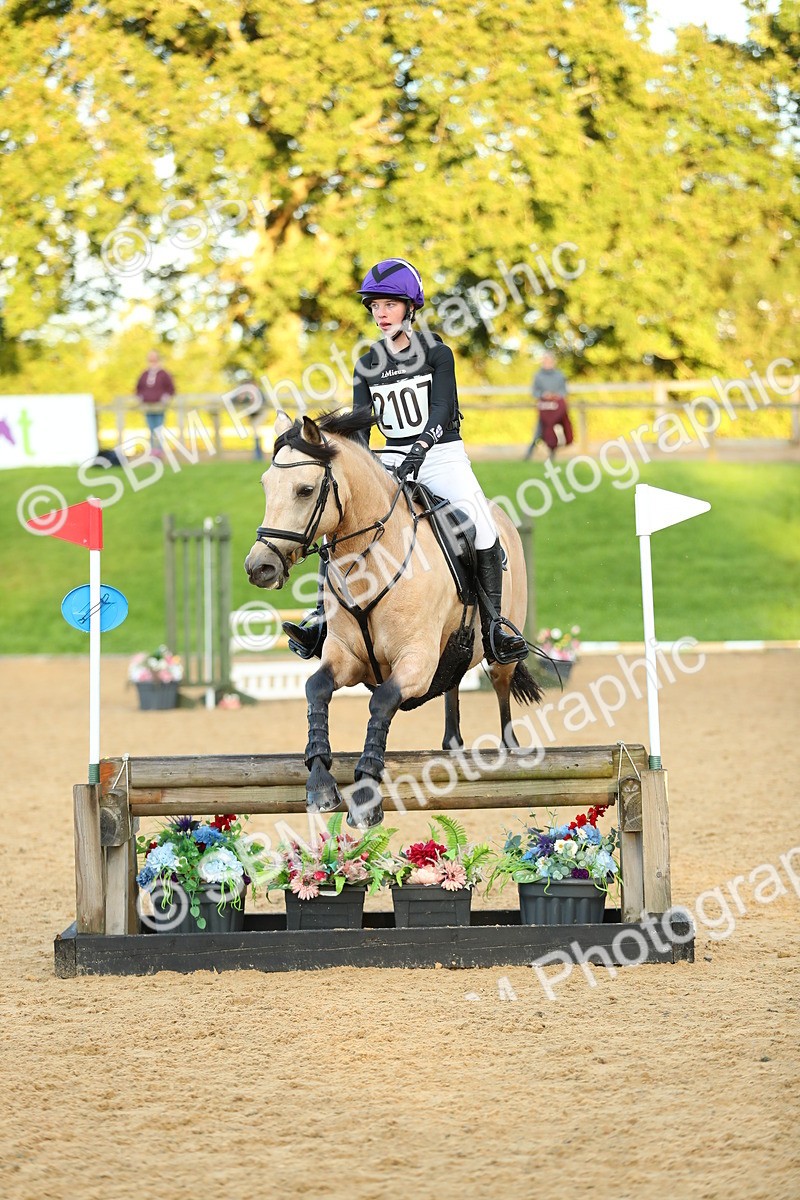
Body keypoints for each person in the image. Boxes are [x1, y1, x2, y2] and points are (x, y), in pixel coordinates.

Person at [283, 257, 529, 665]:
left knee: (482, 527)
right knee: (338, 524)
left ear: (410, 307)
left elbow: (443, 409)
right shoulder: (367, 364)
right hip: (391, 457)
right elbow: (362, 428)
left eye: (389, 305)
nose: (381, 314)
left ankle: (495, 626)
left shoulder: (437, 353)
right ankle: (321, 619)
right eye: (375, 306)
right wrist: (359, 463)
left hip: (441, 454)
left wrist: (418, 452)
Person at [523, 351, 573, 460]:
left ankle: (552, 456)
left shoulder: (560, 375)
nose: (547, 363)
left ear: (553, 362)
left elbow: (564, 391)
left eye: (549, 361)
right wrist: (544, 395)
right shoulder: (538, 376)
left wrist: (556, 396)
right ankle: (528, 455)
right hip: (544, 409)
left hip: (557, 409)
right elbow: (534, 392)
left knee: (555, 432)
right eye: (545, 360)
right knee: (539, 432)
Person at [135, 350, 175, 452]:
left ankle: (159, 450)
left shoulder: (163, 374)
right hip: (148, 406)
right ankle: (153, 450)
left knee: (158, 429)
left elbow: (170, 388)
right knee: (151, 428)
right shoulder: (144, 374)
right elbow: (138, 388)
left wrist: (165, 397)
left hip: (159, 407)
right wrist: (140, 397)